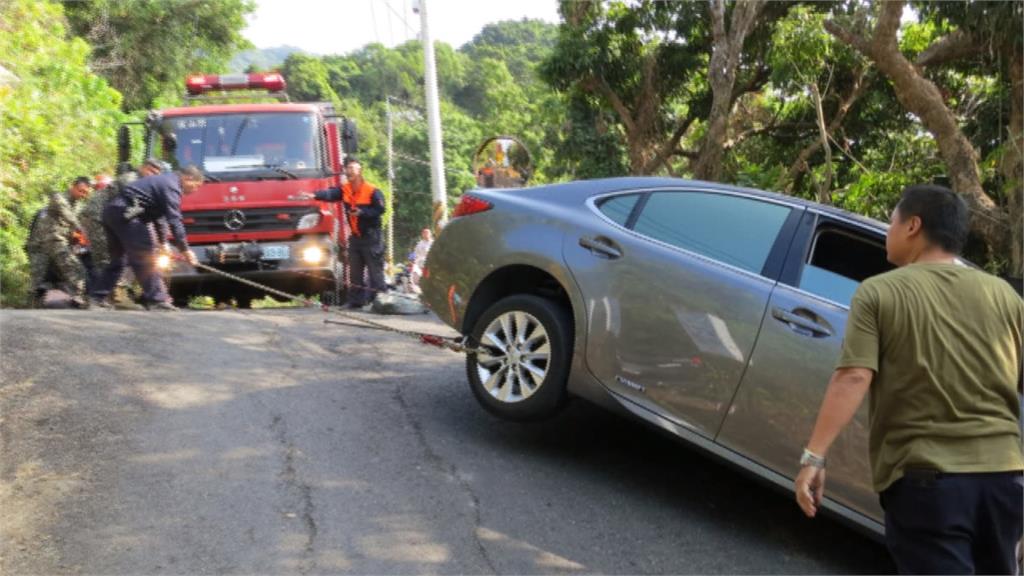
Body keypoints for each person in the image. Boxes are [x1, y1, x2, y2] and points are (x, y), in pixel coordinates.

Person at [793, 184, 1023, 574]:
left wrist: (813, 457)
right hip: (1004, 482)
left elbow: (853, 376)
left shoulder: (879, 292)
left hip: (929, 483)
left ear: (913, 225)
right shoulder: (1004, 296)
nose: (888, 230)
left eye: (892, 221)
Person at [90, 165, 201, 310]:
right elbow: (174, 220)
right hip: (127, 215)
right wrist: (185, 249)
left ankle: (95, 298)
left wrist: (163, 243)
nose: (195, 190)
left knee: (118, 260)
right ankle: (157, 300)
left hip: (113, 213)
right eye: (196, 185)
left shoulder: (163, 182)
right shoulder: (172, 186)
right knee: (145, 256)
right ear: (188, 178)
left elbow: (160, 219)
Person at [80, 159, 166, 306]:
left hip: (114, 218)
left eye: (156, 174)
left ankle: (104, 296)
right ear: (143, 168)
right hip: (97, 216)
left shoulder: (145, 184)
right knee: (106, 257)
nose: (152, 176)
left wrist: (162, 240)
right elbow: (138, 203)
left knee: (119, 258)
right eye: (151, 171)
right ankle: (103, 297)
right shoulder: (130, 178)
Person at [304, 157, 386, 309]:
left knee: (375, 271)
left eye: (353, 169)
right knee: (354, 271)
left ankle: (381, 301)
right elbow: (331, 194)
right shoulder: (345, 189)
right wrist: (315, 195)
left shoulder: (372, 190)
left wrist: (362, 212)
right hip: (356, 238)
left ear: (360, 171)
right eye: (348, 169)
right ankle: (356, 301)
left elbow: (380, 209)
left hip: (372, 236)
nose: (350, 172)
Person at [25, 176, 92, 308]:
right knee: (38, 277)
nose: (82, 194)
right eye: (80, 190)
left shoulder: (78, 205)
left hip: (57, 242)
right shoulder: (58, 198)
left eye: (85, 193)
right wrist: (81, 229)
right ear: (72, 186)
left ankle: (78, 299)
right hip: (46, 241)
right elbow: (69, 217)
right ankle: (30, 308)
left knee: (75, 268)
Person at [408, 228, 433, 294]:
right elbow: (415, 254)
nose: (426, 234)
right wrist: (411, 260)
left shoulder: (433, 243)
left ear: (430, 234)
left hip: (430, 263)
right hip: (420, 263)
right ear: (422, 234)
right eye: (424, 233)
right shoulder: (420, 244)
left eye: (427, 233)